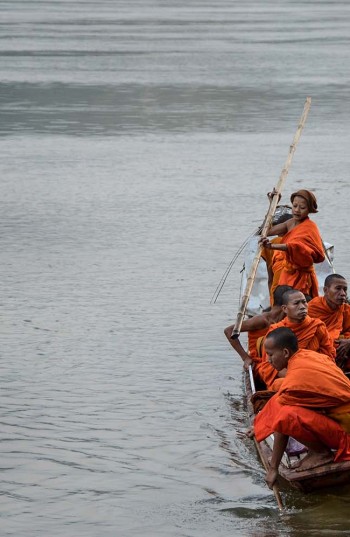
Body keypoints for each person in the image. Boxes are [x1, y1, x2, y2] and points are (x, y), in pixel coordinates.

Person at [249, 327, 350, 489]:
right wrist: (260, 423)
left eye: (270, 354)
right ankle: (316, 451)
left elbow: (282, 419)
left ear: (286, 353)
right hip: (343, 422)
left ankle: (321, 453)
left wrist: (273, 469)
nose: (268, 360)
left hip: (346, 436)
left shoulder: (295, 379)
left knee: (286, 415)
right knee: (283, 403)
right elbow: (281, 397)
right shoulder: (310, 356)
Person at [254, 289, 335, 390]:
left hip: (315, 374)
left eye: (304, 302)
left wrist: (311, 375)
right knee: (279, 385)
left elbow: (329, 357)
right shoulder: (275, 331)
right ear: (285, 309)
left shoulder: (318, 327)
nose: (302, 307)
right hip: (287, 378)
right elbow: (268, 365)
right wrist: (297, 377)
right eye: (296, 303)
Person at [259, 189, 325, 299]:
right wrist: (272, 205)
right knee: (283, 305)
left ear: (309, 209)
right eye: (295, 206)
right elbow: (266, 231)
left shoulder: (310, 227)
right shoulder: (290, 223)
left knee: (301, 306)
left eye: (302, 208)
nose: (297, 210)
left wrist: (272, 246)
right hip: (287, 274)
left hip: (303, 277)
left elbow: (297, 247)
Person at [224, 285, 293, 370]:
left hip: (276, 360)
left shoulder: (286, 320)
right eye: (294, 303)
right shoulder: (262, 320)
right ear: (285, 306)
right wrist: (245, 358)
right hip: (260, 363)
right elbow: (229, 331)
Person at [308, 274, 350, 370]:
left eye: (345, 289)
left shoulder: (345, 309)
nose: (343, 293)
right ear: (326, 290)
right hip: (318, 351)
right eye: (338, 288)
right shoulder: (312, 308)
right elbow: (305, 334)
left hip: (340, 347)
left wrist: (348, 342)